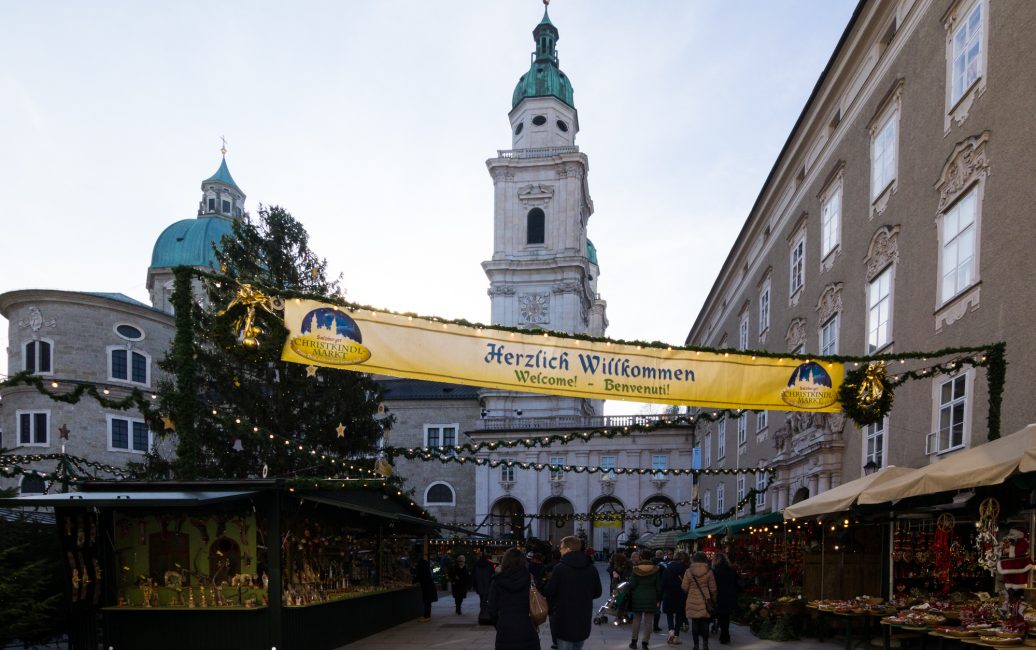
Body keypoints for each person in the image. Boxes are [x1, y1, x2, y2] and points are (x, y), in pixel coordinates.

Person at [543, 535, 602, 650]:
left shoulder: (560, 568)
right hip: (583, 618)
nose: (559, 550)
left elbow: (548, 591)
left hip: (564, 618)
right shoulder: (591, 568)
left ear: (568, 549)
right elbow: (597, 592)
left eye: (561, 548)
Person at [487, 547, 541, 650]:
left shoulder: (497, 581)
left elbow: (491, 609)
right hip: (528, 629)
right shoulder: (530, 579)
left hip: (505, 630)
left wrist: (499, 624)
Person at [681, 552, 718, 650]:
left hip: (692, 598)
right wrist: (714, 600)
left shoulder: (688, 571)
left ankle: (696, 645)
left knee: (695, 623)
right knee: (705, 623)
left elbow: (684, 587)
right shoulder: (709, 571)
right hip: (705, 599)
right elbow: (713, 589)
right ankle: (705, 645)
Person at [627, 551, 662, 650]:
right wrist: (659, 598)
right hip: (651, 597)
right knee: (648, 621)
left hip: (638, 597)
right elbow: (658, 586)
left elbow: (632, 584)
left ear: (641, 557)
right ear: (650, 558)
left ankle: (633, 642)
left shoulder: (636, 569)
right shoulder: (655, 569)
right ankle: (645, 643)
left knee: (636, 620)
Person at [661, 551, 689, 645]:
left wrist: (659, 597)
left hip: (668, 594)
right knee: (679, 615)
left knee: (669, 614)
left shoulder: (667, 568)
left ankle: (671, 631)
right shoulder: (686, 569)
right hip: (681, 595)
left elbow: (663, 583)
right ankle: (676, 636)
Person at [711, 553, 738, 644]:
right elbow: (736, 583)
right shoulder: (731, 570)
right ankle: (725, 634)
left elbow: (713, 586)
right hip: (730, 596)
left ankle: (724, 635)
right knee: (726, 616)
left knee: (721, 616)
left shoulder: (715, 571)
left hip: (720, 596)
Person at [414, 548, 438, 622]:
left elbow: (420, 576)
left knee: (427, 601)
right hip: (429, 586)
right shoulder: (426, 565)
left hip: (427, 587)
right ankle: (426, 615)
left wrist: (414, 580)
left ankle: (427, 616)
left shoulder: (422, 566)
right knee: (428, 602)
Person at [473, 552, 496, 622]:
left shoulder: (476, 565)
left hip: (480, 586)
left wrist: (475, 585)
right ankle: (484, 613)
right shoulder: (489, 565)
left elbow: (474, 577)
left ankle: (482, 612)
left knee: (482, 599)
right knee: (485, 600)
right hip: (487, 585)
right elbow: (492, 575)